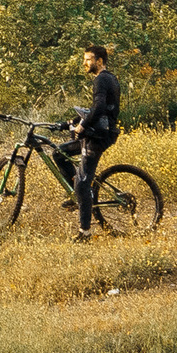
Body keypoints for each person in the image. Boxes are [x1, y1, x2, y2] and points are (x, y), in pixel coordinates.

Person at [69, 37, 122, 240]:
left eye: (88, 59)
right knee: (59, 152)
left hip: (99, 136)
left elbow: (99, 108)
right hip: (101, 131)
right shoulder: (110, 78)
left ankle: (85, 232)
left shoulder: (101, 79)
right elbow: (99, 108)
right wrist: (73, 120)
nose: (85, 63)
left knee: (83, 182)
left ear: (99, 61)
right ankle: (78, 195)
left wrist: (82, 125)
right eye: (84, 59)